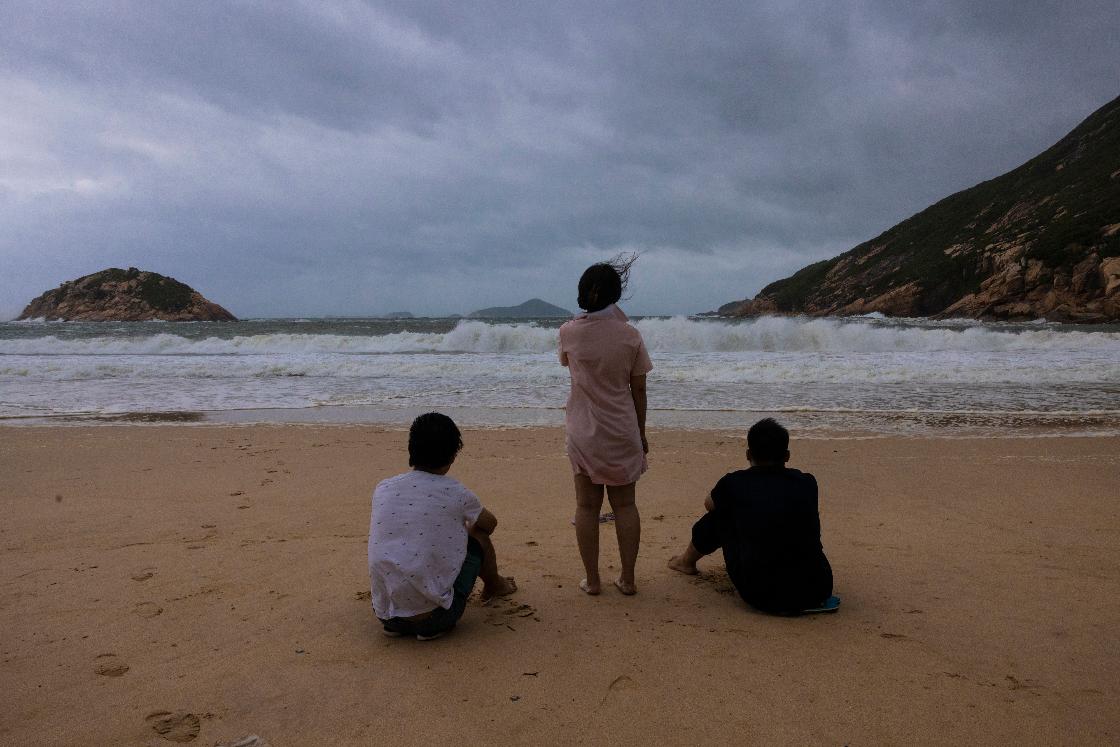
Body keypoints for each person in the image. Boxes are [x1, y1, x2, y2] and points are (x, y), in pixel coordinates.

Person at [368, 412, 516, 640]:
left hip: (386, 615)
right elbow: (490, 524)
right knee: (478, 534)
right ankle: (495, 585)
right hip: (436, 617)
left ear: (411, 450)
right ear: (452, 456)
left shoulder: (384, 487)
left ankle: (401, 618)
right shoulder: (455, 492)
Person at [668, 418, 835, 614]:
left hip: (761, 593)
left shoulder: (734, 483)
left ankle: (686, 562)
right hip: (818, 588)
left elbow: (709, 504)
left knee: (720, 514)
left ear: (748, 454)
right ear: (787, 456)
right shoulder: (807, 482)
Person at [559, 255, 653, 596]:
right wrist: (641, 433)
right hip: (622, 428)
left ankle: (593, 581)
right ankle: (627, 579)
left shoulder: (568, 333)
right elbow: (638, 388)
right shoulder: (630, 335)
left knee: (586, 506)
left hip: (584, 431)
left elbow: (567, 363)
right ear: (616, 293)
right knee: (625, 505)